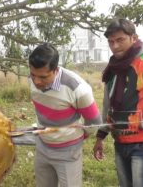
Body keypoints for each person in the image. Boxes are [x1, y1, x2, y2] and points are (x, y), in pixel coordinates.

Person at [28, 43, 101, 187]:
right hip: (42, 146)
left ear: (55, 70)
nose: (36, 81)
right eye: (33, 75)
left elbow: (94, 121)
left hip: (68, 152)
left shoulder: (77, 88)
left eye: (43, 77)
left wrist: (77, 136)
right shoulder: (32, 78)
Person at [93, 18, 143, 187]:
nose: (115, 46)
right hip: (120, 142)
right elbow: (107, 104)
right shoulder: (112, 67)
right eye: (111, 42)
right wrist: (101, 136)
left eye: (120, 40)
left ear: (134, 38)